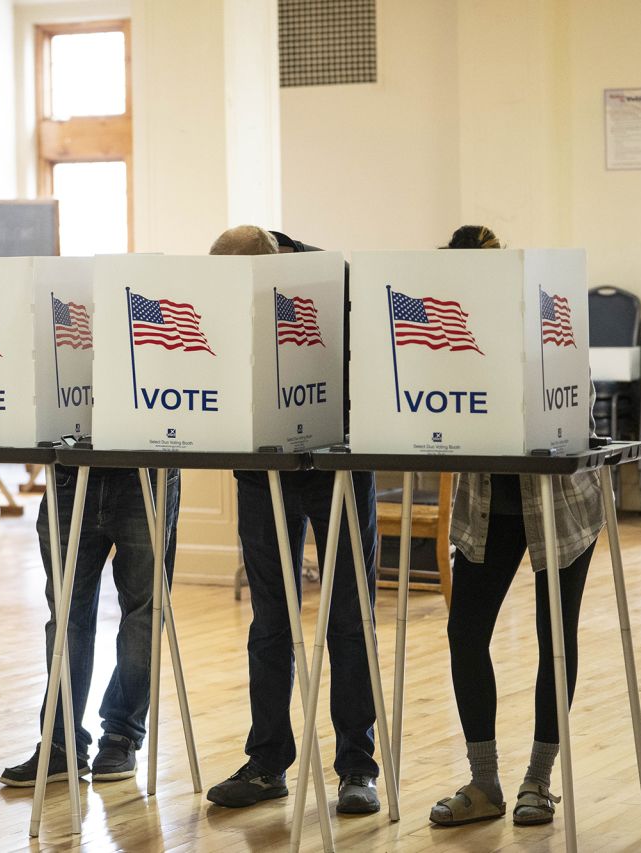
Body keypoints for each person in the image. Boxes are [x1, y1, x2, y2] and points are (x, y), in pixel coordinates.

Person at [203, 225, 382, 814]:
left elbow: (369, 369)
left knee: (349, 619)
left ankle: (359, 767)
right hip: (262, 470)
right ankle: (267, 763)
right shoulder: (228, 278)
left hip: (334, 461)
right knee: (270, 621)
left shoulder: (328, 278)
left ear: (274, 264)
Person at [428, 224, 602, 827]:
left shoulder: (545, 315)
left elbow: (582, 399)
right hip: (485, 508)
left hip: (561, 507)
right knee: (464, 634)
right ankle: (484, 782)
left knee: (554, 638)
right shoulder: (441, 330)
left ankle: (538, 779)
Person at [0, 450, 181, 781]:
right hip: (70, 471)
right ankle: (60, 743)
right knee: (66, 615)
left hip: (146, 469)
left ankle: (121, 735)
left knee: (144, 612)